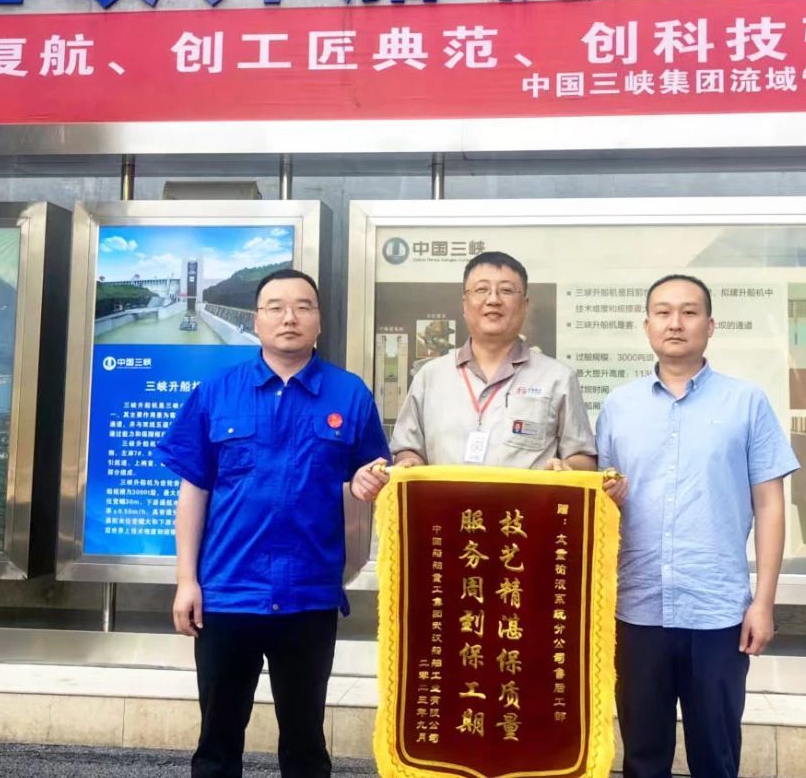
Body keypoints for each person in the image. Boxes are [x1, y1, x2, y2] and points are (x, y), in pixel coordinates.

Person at [157, 269, 390, 778]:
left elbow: (370, 474)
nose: (290, 317)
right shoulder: (217, 392)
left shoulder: (349, 395)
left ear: (319, 321)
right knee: (217, 742)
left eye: (303, 306)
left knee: (305, 742)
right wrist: (186, 581)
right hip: (227, 592)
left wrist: (368, 481)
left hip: (309, 594)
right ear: (256, 320)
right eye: (276, 307)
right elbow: (194, 490)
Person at [596, 274, 798, 778]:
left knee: (716, 755)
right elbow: (599, 504)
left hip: (717, 613)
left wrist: (763, 602)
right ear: (647, 325)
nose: (675, 323)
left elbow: (770, 504)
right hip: (637, 609)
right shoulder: (619, 406)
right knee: (642, 757)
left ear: (710, 326)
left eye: (689, 312)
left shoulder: (746, 402)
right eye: (663, 312)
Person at [351, 251, 623, 502]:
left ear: (525, 304)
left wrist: (567, 468)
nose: (493, 300)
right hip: (445, 523)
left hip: (525, 526)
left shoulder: (558, 378)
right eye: (481, 289)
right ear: (464, 303)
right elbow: (407, 449)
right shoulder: (430, 376)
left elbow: (583, 457)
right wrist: (409, 463)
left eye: (506, 290)